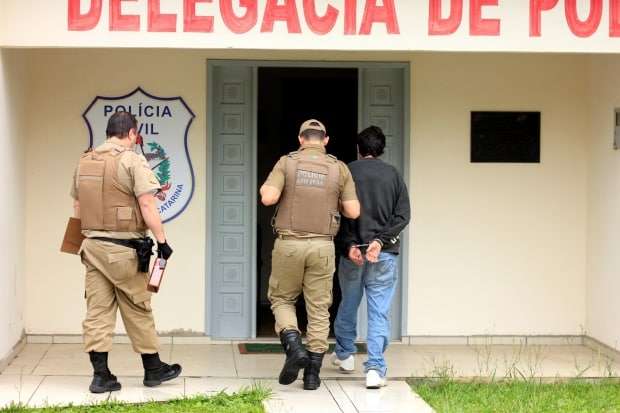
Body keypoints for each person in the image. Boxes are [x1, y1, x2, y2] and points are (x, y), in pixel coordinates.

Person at [70, 111, 182, 394]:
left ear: (109, 132)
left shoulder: (85, 161)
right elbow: (147, 204)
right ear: (132, 133)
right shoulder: (133, 160)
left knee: (97, 311)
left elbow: (78, 208)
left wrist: (76, 243)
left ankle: (101, 375)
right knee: (138, 307)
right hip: (124, 250)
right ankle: (153, 369)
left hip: (92, 248)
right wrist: (162, 240)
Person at [260, 119, 360, 390]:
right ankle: (313, 375)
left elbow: (267, 197)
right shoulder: (339, 169)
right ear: (325, 140)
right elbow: (353, 211)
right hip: (323, 247)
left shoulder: (287, 162)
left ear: (301, 139)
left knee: (281, 298)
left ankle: (294, 345)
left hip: (290, 244)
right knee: (318, 308)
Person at [333, 126, 411, 389]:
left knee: (348, 304)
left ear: (358, 148)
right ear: (382, 149)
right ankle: (375, 369)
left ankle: (344, 355)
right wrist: (380, 241)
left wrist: (349, 246)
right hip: (383, 255)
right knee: (379, 312)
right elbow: (402, 216)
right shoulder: (393, 175)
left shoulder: (347, 172)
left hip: (352, 254)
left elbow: (337, 215)